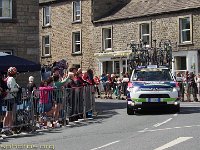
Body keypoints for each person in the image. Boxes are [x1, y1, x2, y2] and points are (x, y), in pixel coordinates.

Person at [2, 67, 19, 136]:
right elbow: (12, 89)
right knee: (8, 113)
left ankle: (7, 128)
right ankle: (5, 128)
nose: (16, 75)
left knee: (8, 113)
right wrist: (17, 89)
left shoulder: (7, 78)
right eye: (15, 73)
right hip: (10, 97)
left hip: (7, 97)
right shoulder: (11, 79)